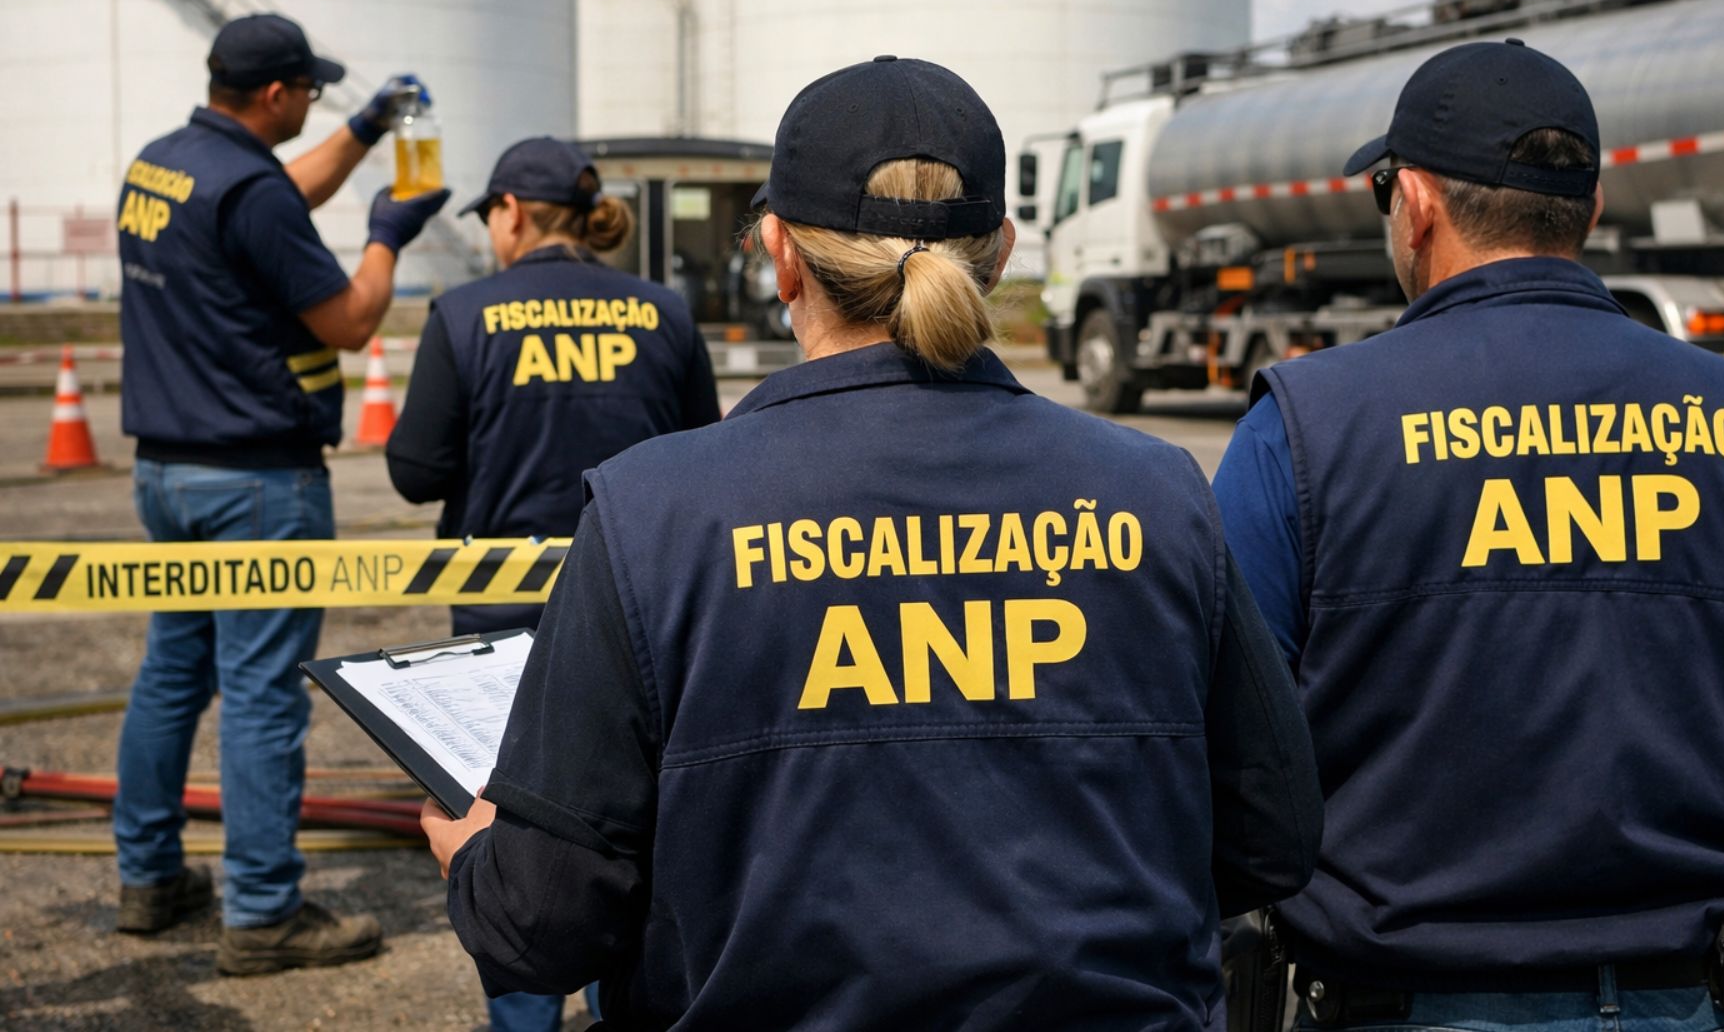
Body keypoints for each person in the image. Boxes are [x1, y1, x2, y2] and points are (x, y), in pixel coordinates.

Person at [420, 55, 1324, 1030]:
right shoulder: (1157, 494)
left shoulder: (655, 512)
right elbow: (1269, 838)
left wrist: (479, 860)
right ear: (1002, 252)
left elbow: (544, 924)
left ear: (781, 255)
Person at [1211, 39, 1724, 1031]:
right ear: (1594, 208)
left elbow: (1224, 753)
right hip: (1712, 999)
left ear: (1416, 204)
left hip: (1408, 1000)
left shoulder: (1303, 429)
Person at [112, 12, 449, 975]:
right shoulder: (249, 190)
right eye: (310, 91)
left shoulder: (164, 163)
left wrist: (367, 130)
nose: (315, 102)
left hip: (165, 472)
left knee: (172, 674)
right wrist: (386, 237)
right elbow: (349, 322)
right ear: (273, 95)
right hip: (255, 480)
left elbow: (266, 201)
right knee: (261, 695)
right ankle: (262, 913)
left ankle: (148, 877)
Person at [384, 136, 720, 1031]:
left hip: (500, 625)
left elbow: (415, 471)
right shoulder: (662, 312)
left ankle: (524, 1019)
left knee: (514, 839)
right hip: (642, 615)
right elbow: (703, 450)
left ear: (511, 213)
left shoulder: (464, 314)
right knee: (635, 832)